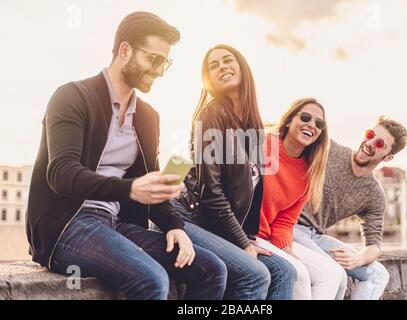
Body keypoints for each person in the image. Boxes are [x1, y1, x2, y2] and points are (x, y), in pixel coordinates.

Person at [25, 11, 227, 300]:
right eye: (154, 59)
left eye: (165, 62)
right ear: (125, 50)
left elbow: (152, 187)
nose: (159, 70)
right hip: (67, 225)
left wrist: (174, 227)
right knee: (153, 280)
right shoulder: (72, 96)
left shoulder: (147, 117)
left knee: (211, 269)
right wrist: (130, 188)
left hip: (115, 225)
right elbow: (61, 173)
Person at [169, 44, 296, 300]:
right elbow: (211, 194)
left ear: (242, 68)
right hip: (190, 219)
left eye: (228, 60)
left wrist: (249, 238)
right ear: (209, 79)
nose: (222, 67)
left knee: (284, 271)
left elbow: (251, 193)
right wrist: (242, 243)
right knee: (255, 274)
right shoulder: (211, 116)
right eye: (213, 66)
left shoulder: (252, 127)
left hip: (218, 225)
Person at [294, 116, 407, 300]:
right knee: (336, 276)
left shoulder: (374, 194)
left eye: (380, 143)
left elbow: (374, 246)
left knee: (378, 275)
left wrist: (360, 259)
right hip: (288, 226)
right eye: (370, 134)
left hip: (313, 236)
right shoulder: (329, 149)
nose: (370, 143)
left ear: (388, 157)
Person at [254, 98, 347, 299]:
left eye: (319, 123)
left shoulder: (308, 173)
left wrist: (286, 248)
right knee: (300, 275)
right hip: (247, 233)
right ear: (288, 120)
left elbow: (285, 221)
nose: (312, 125)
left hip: (268, 237)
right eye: (305, 117)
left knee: (334, 273)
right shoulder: (261, 144)